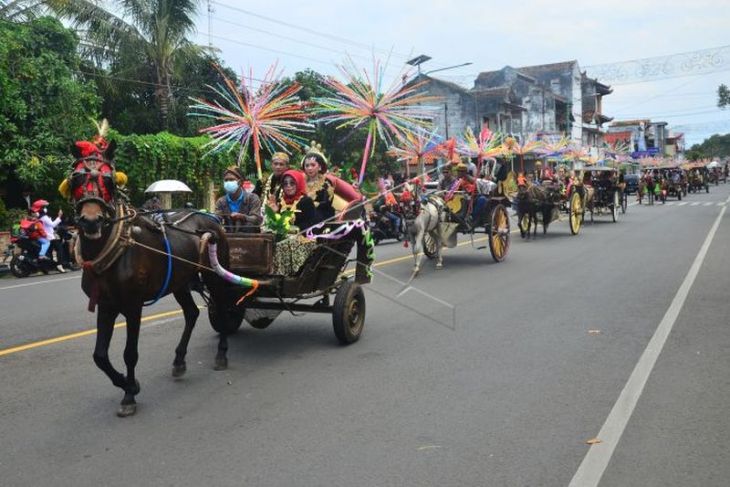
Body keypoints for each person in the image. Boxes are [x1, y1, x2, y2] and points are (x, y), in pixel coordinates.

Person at [214, 166, 262, 233]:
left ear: (240, 182)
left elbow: (257, 219)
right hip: (228, 239)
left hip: (250, 238)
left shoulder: (252, 198)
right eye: (226, 180)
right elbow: (217, 219)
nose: (228, 182)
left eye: (231, 180)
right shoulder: (221, 201)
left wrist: (242, 217)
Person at [301, 149, 335, 223]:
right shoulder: (300, 182)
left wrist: (310, 204)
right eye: (307, 165)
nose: (310, 168)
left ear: (320, 167)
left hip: (321, 214)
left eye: (313, 165)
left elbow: (327, 203)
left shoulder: (326, 183)